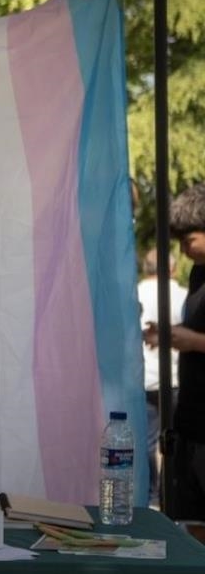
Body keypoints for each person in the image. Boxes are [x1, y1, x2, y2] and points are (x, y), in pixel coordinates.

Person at [144, 183, 205, 520]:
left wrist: (191, 340)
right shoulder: (198, 274)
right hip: (190, 423)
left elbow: (197, 337)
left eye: (189, 240)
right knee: (187, 521)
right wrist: (169, 334)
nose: (183, 250)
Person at [138, 247, 187, 506]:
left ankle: (151, 496)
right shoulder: (181, 295)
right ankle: (171, 495)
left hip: (144, 379)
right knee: (174, 441)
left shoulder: (135, 292)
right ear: (172, 268)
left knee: (146, 442)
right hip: (174, 380)